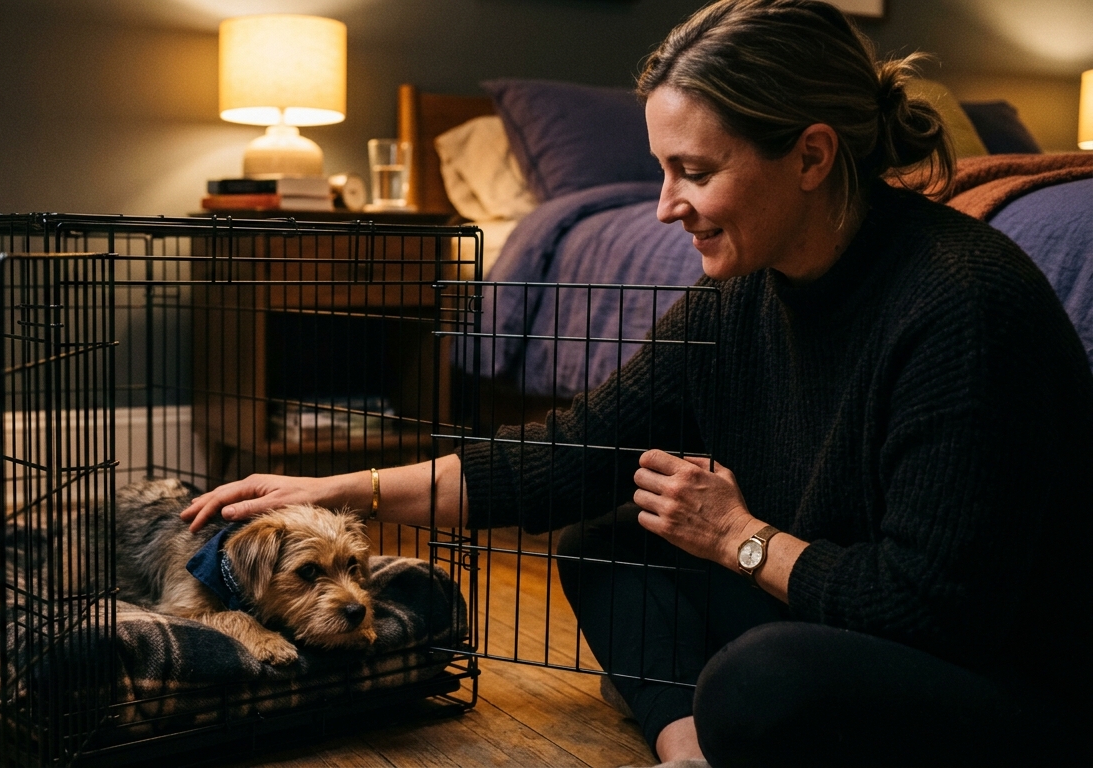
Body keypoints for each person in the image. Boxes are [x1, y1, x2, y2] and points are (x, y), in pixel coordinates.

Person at [183, 1, 1093, 765]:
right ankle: (689, 749)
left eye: (695, 171)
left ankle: (732, 716)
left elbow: (929, 611)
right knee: (602, 544)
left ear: (813, 156)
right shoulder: (741, 297)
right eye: (661, 170)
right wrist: (341, 486)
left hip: (1007, 674)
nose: (666, 206)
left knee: (763, 679)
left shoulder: (962, 307)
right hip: (841, 601)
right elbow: (568, 454)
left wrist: (740, 538)